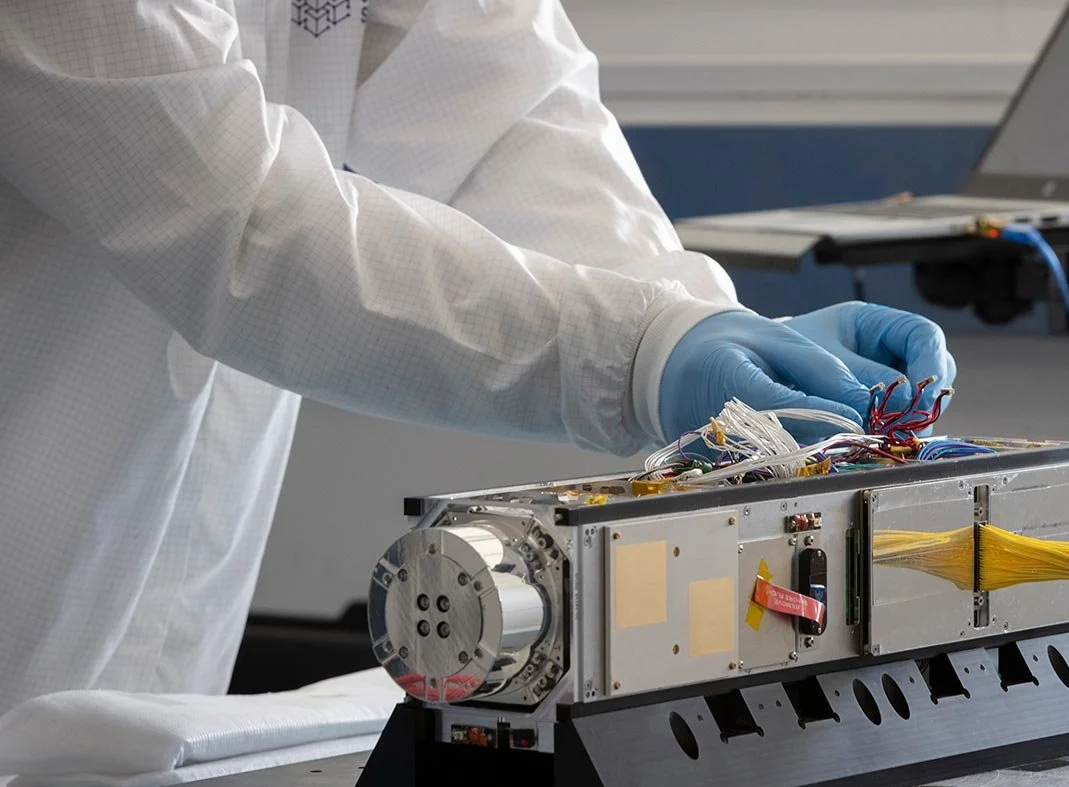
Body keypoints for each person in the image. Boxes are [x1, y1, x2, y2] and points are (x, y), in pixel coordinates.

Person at [0, 1, 954, 717]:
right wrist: (642, 354)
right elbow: (237, 217)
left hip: (159, 686)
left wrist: (700, 320)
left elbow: (506, 114)